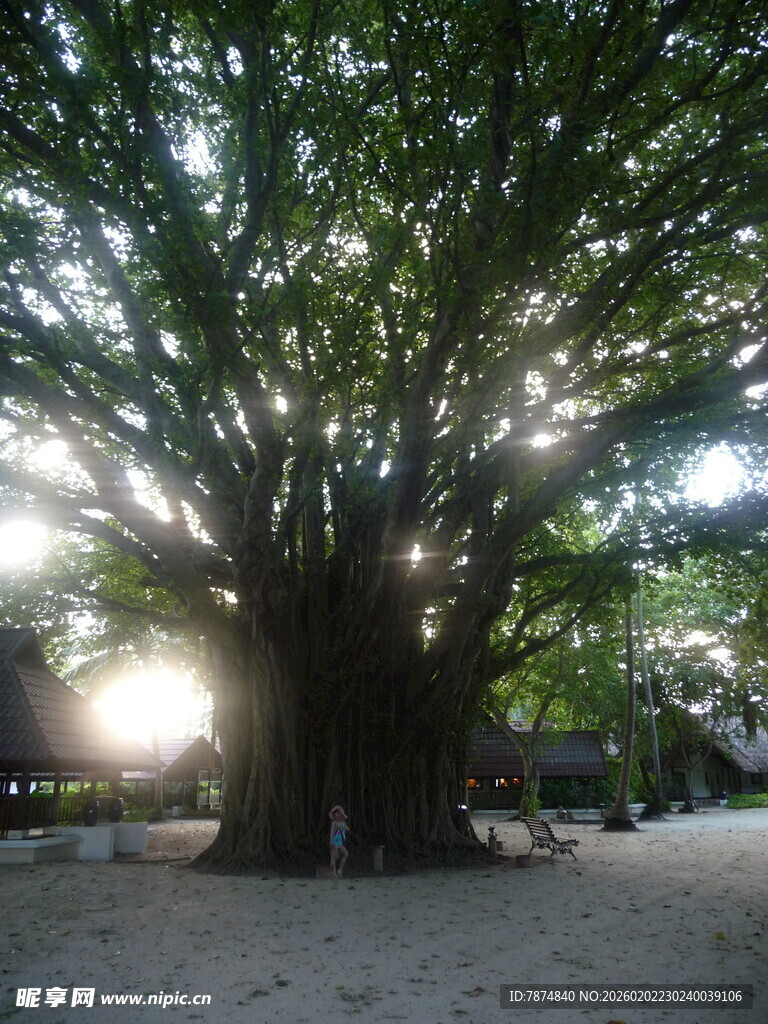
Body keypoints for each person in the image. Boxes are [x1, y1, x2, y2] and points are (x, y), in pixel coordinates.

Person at [328, 805, 349, 877]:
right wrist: (331, 842)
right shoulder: (334, 822)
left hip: (340, 842)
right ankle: (333, 873)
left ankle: (340, 869)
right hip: (335, 842)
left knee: (346, 854)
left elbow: (347, 829)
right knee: (333, 858)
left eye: (339, 813)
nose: (337, 814)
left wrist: (341, 826)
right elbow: (331, 832)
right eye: (336, 813)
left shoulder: (343, 822)